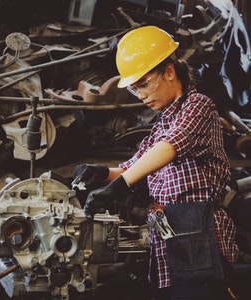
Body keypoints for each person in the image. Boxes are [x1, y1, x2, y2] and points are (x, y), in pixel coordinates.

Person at [72, 26, 239, 300]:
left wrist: (120, 186)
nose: (141, 95)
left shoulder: (198, 106)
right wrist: (101, 174)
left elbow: (170, 147)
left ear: (169, 71)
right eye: (135, 89)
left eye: (145, 83)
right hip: (165, 240)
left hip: (199, 237)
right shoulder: (161, 124)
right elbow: (132, 167)